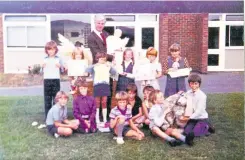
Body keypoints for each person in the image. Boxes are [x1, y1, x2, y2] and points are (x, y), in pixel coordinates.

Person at [88, 14, 114, 120]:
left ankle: (106, 114)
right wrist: (112, 57)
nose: (100, 25)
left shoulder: (107, 34)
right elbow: (96, 53)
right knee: (98, 93)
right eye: (98, 23)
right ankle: (98, 116)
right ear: (95, 23)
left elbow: (112, 46)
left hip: (108, 66)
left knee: (108, 90)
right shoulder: (91, 37)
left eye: (102, 23)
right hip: (99, 67)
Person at [85, 52, 117, 127]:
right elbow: (87, 70)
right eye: (101, 59)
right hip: (97, 85)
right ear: (97, 59)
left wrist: (111, 65)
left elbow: (114, 72)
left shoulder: (108, 66)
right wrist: (93, 65)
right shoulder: (94, 66)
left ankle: (105, 119)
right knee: (97, 102)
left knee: (104, 102)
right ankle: (97, 119)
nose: (102, 60)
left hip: (105, 85)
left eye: (104, 59)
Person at [42, 40, 64, 118]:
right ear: (46, 50)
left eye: (52, 49)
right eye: (49, 49)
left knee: (56, 98)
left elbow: (63, 70)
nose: (51, 51)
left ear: (55, 50)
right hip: (47, 80)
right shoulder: (44, 59)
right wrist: (42, 67)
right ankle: (48, 117)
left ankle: (55, 116)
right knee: (47, 99)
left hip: (56, 80)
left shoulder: (58, 58)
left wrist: (60, 67)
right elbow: (41, 71)